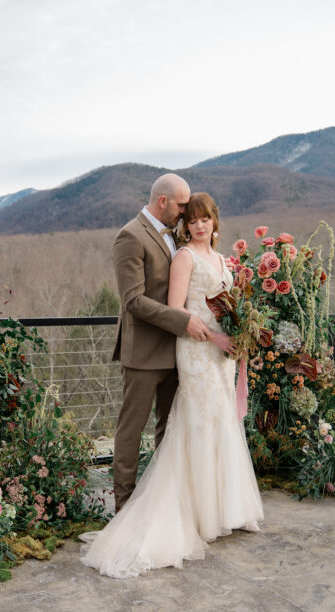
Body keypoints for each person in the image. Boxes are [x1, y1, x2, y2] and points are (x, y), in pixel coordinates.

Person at [82, 192, 264, 578]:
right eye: (190, 217)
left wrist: (241, 333)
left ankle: (227, 509)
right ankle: (152, 511)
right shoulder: (182, 255)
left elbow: (227, 303)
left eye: (204, 218)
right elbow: (176, 308)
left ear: (215, 221)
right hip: (197, 351)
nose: (197, 224)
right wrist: (214, 338)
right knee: (190, 423)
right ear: (178, 215)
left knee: (221, 422)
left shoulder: (220, 258)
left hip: (221, 356)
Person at [109, 173, 210, 512]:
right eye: (182, 205)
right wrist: (183, 320)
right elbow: (133, 301)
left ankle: (161, 503)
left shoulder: (175, 235)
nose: (186, 212)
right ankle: (124, 507)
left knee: (169, 430)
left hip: (176, 352)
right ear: (163, 201)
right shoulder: (130, 236)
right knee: (131, 431)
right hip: (142, 354)